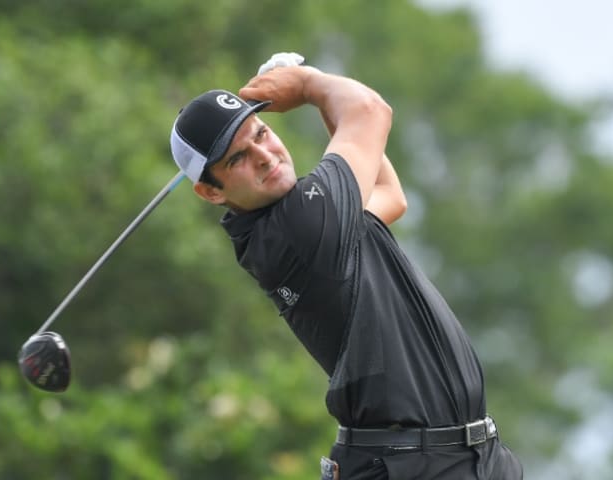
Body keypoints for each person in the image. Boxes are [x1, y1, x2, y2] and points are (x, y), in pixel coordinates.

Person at [169, 53, 523, 480]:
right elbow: (371, 111)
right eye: (237, 158)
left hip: (463, 459)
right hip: (410, 466)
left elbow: (388, 193)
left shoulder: (293, 224)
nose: (264, 155)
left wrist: (321, 99)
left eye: (261, 132)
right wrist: (309, 85)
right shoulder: (300, 226)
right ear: (210, 192)